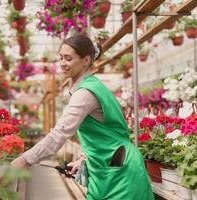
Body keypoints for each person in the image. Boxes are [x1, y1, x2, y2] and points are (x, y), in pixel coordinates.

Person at [10, 34, 154, 200]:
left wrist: (23, 161)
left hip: (121, 174)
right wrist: (85, 159)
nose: (62, 63)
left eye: (68, 58)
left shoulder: (85, 93)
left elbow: (59, 134)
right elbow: (108, 133)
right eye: (61, 58)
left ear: (86, 60)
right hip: (111, 168)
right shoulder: (93, 86)